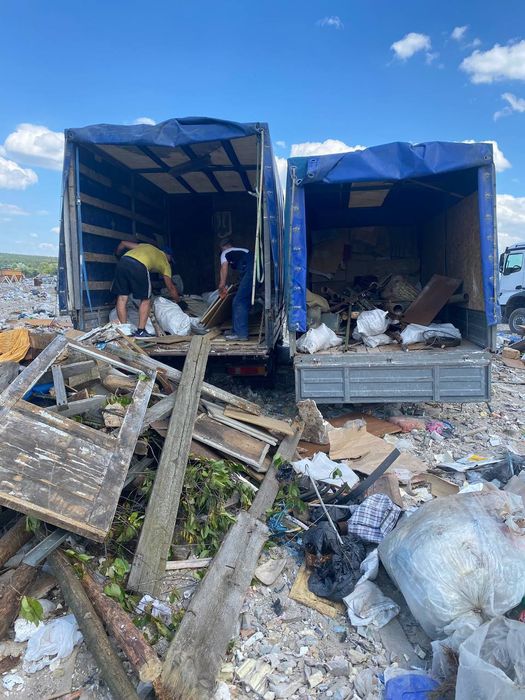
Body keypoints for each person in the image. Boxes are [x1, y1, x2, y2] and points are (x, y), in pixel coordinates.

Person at [112, 241, 180, 336]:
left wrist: (117, 254)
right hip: (139, 266)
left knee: (122, 297)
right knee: (146, 299)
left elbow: (123, 243)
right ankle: (141, 331)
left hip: (123, 261)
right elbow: (171, 287)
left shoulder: (146, 246)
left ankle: (124, 330)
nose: (170, 262)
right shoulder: (166, 263)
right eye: (170, 260)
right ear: (168, 256)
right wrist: (178, 301)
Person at [218, 240, 254, 341]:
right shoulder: (240, 252)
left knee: (239, 301)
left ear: (225, 247)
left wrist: (222, 285)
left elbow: (224, 267)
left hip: (250, 273)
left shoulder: (225, 252)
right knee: (240, 300)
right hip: (254, 272)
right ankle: (236, 330)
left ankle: (241, 334)